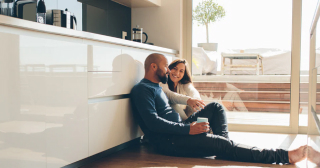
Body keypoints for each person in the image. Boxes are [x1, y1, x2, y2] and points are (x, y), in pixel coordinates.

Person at [130, 53, 319, 165]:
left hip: (179, 130)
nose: (167, 71)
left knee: (216, 107)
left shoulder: (157, 87)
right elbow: (153, 123)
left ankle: (224, 147)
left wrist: (188, 124)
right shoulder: (141, 90)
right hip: (169, 142)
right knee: (222, 145)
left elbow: (177, 99)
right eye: (165, 67)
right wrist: (188, 129)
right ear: (153, 67)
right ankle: (283, 156)